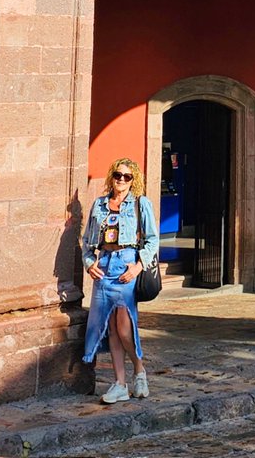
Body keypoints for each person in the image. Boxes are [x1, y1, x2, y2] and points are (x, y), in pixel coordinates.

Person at [80, 157, 158, 404]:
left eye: (127, 176)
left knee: (124, 327)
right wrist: (89, 264)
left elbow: (152, 240)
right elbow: (87, 242)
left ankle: (139, 369)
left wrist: (138, 266)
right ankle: (120, 383)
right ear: (111, 177)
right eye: (117, 175)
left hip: (126, 266)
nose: (121, 180)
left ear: (134, 180)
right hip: (104, 266)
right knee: (111, 329)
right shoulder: (100, 205)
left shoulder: (140, 204)